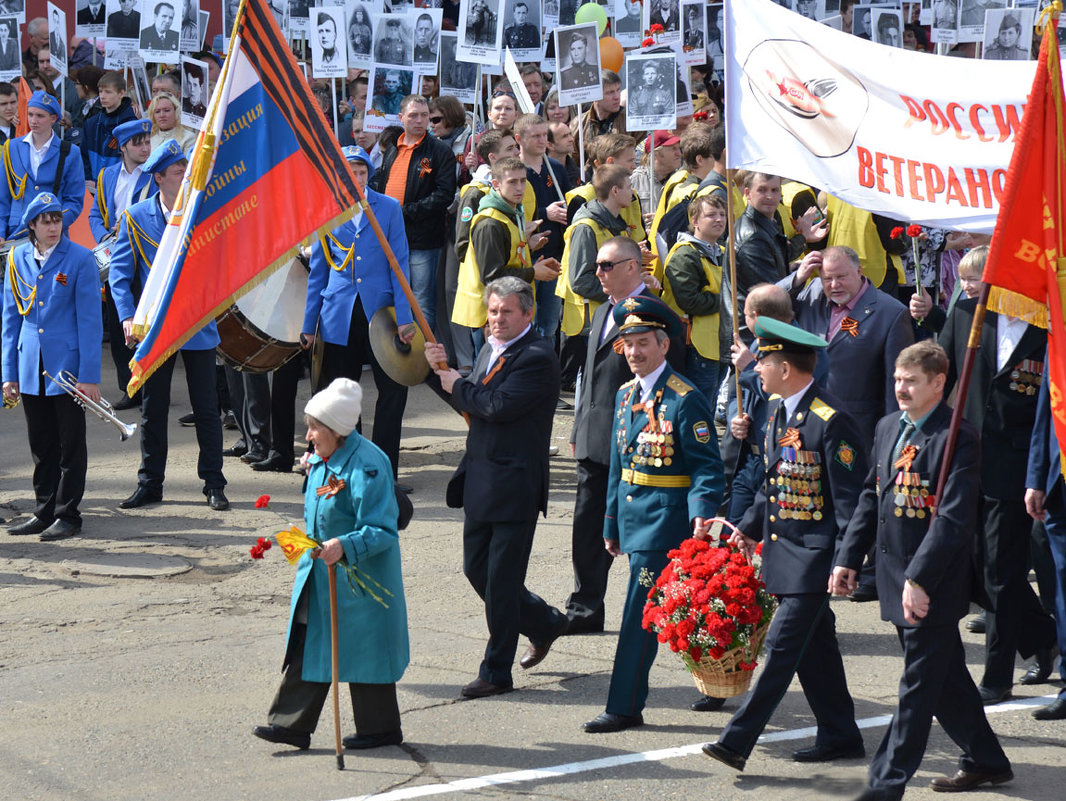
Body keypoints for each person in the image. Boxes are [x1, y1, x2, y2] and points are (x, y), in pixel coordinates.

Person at [832, 341, 1013, 800]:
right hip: (895, 578)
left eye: (912, 381)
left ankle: (883, 784)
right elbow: (872, 498)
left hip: (932, 584)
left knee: (916, 689)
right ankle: (986, 760)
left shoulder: (958, 437)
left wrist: (920, 579)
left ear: (938, 383)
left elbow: (953, 520)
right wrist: (849, 557)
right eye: (897, 379)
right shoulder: (889, 426)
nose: (901, 388)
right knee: (946, 679)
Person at [702, 316, 865, 770]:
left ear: (786, 368)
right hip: (784, 552)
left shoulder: (831, 421)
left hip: (814, 559)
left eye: (764, 361)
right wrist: (746, 528)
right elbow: (772, 485)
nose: (756, 369)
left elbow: (853, 502)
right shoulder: (778, 412)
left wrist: (847, 561)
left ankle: (736, 741)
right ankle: (840, 733)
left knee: (779, 650)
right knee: (817, 654)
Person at [583, 295, 724, 733]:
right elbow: (618, 466)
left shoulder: (686, 399)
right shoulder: (626, 395)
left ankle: (624, 705)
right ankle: (718, 684)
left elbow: (707, 467)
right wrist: (611, 523)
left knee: (637, 614)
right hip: (633, 519)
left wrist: (701, 515)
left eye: (644, 342)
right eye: (628, 344)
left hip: (668, 523)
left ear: (664, 345)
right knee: (689, 606)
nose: (635, 352)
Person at [424, 277, 570, 698]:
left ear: (528, 314)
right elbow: (470, 403)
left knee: (502, 584)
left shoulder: (538, 356)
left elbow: (496, 406)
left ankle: (496, 670)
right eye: (492, 312)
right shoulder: (491, 347)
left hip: (515, 485)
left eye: (507, 312)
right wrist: (438, 373)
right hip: (482, 479)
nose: (497, 320)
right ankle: (545, 622)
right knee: (478, 572)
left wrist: (458, 382)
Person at [251, 378, 409, 752]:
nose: (307, 436)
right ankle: (291, 724)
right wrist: (289, 543)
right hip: (322, 573)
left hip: (359, 576)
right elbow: (321, 512)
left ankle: (380, 729)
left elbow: (383, 529)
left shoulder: (368, 465)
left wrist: (344, 545)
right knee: (312, 640)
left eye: (314, 428)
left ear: (337, 430)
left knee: (365, 648)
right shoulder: (324, 460)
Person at [939, 282, 1056, 705]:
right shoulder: (969, 312)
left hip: (1019, 466)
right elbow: (941, 374)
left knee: (1002, 573)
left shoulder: (1049, 324)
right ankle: (1044, 636)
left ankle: (997, 675)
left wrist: (1040, 473)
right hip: (967, 460)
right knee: (973, 567)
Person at [564, 236, 682, 635]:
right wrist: (579, 427)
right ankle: (585, 606)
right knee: (587, 525)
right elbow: (590, 379)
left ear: (633, 267)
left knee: (639, 531)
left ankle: (657, 608)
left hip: (638, 439)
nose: (598, 273)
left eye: (606, 266)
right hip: (596, 436)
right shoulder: (601, 312)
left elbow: (670, 380)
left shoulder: (656, 315)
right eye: (598, 265)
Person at [108, 139, 229, 512]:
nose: (185, 176)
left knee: (207, 408)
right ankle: (150, 483)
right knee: (152, 409)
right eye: (178, 171)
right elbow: (120, 273)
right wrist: (128, 316)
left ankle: (213, 483)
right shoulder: (136, 216)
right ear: (159, 177)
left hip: (196, 323)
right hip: (156, 328)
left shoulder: (202, 210)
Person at [301, 146, 415, 482]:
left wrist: (405, 317)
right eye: (350, 171)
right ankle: (347, 469)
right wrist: (310, 324)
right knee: (341, 394)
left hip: (382, 314)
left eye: (362, 172)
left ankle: (383, 471)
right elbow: (318, 272)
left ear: (369, 175)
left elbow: (400, 263)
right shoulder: (326, 210)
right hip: (339, 315)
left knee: (393, 390)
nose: (357, 177)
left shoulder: (389, 208)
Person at [2, 193, 102, 542]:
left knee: (70, 443)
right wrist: (8, 373)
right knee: (41, 444)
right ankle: (43, 511)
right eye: (45, 221)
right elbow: (10, 320)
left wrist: (90, 376)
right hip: (31, 363)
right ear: (32, 225)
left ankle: (68, 514)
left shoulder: (79, 258)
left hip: (68, 366)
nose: (53, 227)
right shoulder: (17, 258)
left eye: (57, 219)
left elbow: (90, 322)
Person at [370, 94, 457, 334]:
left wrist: (405, 212)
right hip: (390, 237)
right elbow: (382, 183)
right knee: (392, 295)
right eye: (413, 115)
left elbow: (444, 195)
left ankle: (422, 364)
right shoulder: (392, 149)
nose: (420, 120)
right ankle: (397, 358)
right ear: (401, 118)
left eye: (425, 115)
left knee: (421, 301)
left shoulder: (440, 152)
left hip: (422, 239)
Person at [88, 118, 155, 410]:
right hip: (116, 257)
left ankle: (151, 384)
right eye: (138, 143)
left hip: (145, 259)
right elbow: (94, 215)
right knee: (119, 327)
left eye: (147, 141)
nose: (144, 147)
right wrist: (104, 235)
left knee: (145, 323)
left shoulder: (154, 174)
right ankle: (128, 387)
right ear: (123, 147)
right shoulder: (106, 176)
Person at [732, 172, 826, 343]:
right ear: (747, 193)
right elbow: (768, 296)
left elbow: (776, 256)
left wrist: (801, 241)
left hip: (763, 327)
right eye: (762, 190)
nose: (769, 196)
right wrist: (798, 277)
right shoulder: (752, 237)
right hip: (754, 335)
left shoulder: (765, 224)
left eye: (775, 190)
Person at [1025, 359, 1066, 721]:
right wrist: (1036, 478)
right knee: (1063, 591)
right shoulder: (1060, 345)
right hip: (1060, 487)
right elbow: (1044, 417)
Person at [662, 193, 730, 403]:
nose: (719, 219)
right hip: (694, 344)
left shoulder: (722, 251)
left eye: (722, 214)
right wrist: (729, 301)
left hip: (718, 342)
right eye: (711, 215)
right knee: (697, 404)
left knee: (709, 401)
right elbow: (690, 301)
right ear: (694, 221)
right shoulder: (685, 255)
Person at [0, 91, 84, 244]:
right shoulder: (12, 147)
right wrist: (0, 231)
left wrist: (52, 225)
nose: (33, 120)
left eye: (40, 116)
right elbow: (2, 196)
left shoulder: (70, 152)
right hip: (15, 232)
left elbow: (74, 200)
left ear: (53, 118)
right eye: (30, 114)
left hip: (54, 235)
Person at [515, 113, 571, 341]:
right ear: (519, 138)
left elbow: (568, 200)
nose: (541, 140)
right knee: (522, 321)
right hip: (525, 258)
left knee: (548, 323)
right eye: (535, 136)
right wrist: (544, 213)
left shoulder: (556, 168)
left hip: (554, 255)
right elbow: (511, 212)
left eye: (543, 135)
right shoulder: (514, 171)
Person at [80, 71, 138, 187]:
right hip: (91, 188)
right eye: (100, 91)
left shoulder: (131, 126)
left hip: (119, 188)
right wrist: (89, 181)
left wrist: (99, 184)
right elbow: (83, 157)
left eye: (108, 92)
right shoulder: (91, 123)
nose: (102, 96)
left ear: (121, 93)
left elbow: (132, 165)